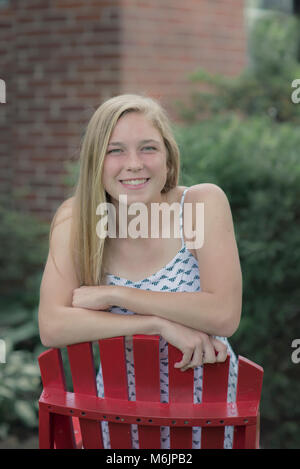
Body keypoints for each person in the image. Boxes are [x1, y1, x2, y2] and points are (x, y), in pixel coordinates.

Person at [38, 93, 242, 449]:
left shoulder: (200, 204)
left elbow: (223, 315)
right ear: (96, 162)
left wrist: (120, 295)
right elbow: (52, 326)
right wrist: (155, 324)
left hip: (205, 411)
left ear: (167, 158)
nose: (133, 164)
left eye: (147, 148)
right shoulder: (76, 220)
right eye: (115, 150)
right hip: (114, 413)